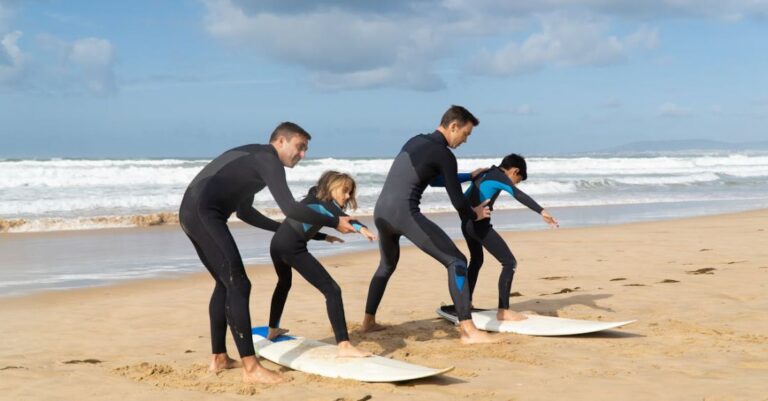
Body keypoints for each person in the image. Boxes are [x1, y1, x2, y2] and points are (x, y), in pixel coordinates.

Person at [179, 122, 357, 384]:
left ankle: (219, 357)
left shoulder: (255, 162)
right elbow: (291, 209)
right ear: (281, 141)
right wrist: (334, 222)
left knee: (225, 283)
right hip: (203, 213)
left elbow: (245, 212)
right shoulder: (268, 160)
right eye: (300, 147)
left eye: (306, 149)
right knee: (239, 284)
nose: (302, 154)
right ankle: (251, 368)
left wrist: (282, 230)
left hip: (192, 212)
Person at [361, 105, 496, 344]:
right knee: (457, 261)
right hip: (404, 213)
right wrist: (474, 214)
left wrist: (467, 175)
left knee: (386, 266)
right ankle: (468, 330)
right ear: (453, 126)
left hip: (381, 213)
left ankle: (368, 323)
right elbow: (458, 201)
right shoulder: (444, 154)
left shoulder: (415, 141)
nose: (464, 140)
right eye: (465, 134)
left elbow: (433, 180)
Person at [433, 153, 558, 321]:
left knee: (477, 260)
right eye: (518, 179)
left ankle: (465, 303)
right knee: (509, 262)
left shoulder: (485, 173)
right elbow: (518, 194)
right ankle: (504, 310)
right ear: (515, 171)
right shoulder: (501, 177)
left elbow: (466, 197)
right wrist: (542, 211)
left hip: (466, 223)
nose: (515, 182)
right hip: (479, 225)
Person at [268, 171, 377, 357]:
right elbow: (341, 217)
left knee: (283, 284)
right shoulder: (325, 203)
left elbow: (301, 225)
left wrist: (324, 236)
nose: (348, 195)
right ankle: (344, 346)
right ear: (331, 187)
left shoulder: (314, 198)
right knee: (332, 290)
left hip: (277, 244)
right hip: (292, 247)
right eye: (345, 190)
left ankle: (273, 329)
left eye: (350, 192)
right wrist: (362, 228)